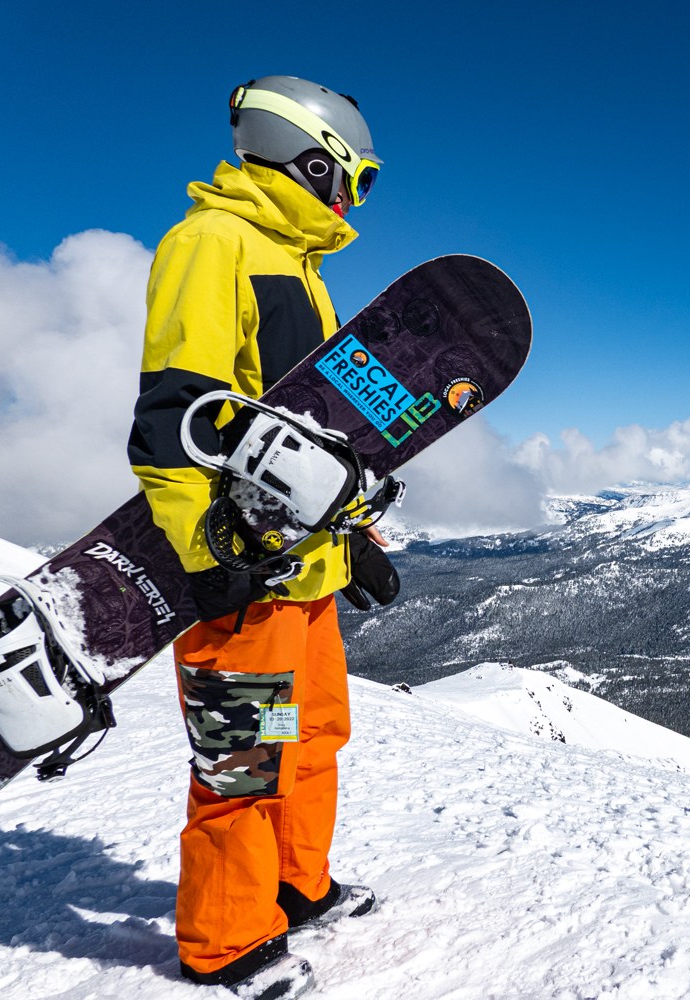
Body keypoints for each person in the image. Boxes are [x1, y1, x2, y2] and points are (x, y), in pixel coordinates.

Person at [128, 75, 392, 999]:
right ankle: (226, 942)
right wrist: (210, 557)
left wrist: (352, 538)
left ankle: (292, 884)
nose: (349, 202)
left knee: (313, 734)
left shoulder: (301, 269)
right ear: (310, 157)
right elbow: (174, 422)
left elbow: (314, 436)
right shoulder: (212, 245)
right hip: (243, 570)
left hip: (302, 568)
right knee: (244, 760)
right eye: (351, 180)